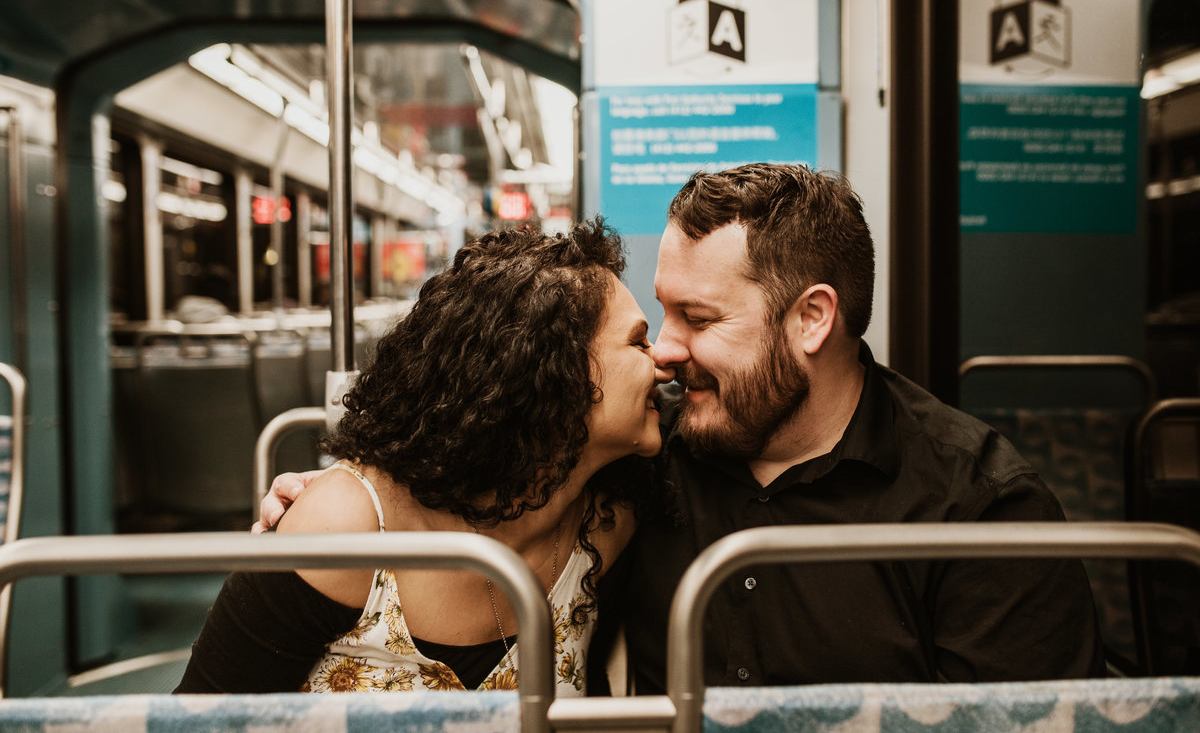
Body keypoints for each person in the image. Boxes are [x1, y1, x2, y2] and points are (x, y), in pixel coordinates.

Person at [260, 163, 1105, 692]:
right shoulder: (636, 461)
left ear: (812, 319)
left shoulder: (980, 512)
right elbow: (473, 495)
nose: (666, 353)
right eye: (659, 317)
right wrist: (333, 508)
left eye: (697, 318)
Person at [177, 218, 671, 695]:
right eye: (638, 341)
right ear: (554, 370)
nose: (662, 362)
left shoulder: (605, 524)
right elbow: (200, 715)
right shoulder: (347, 528)